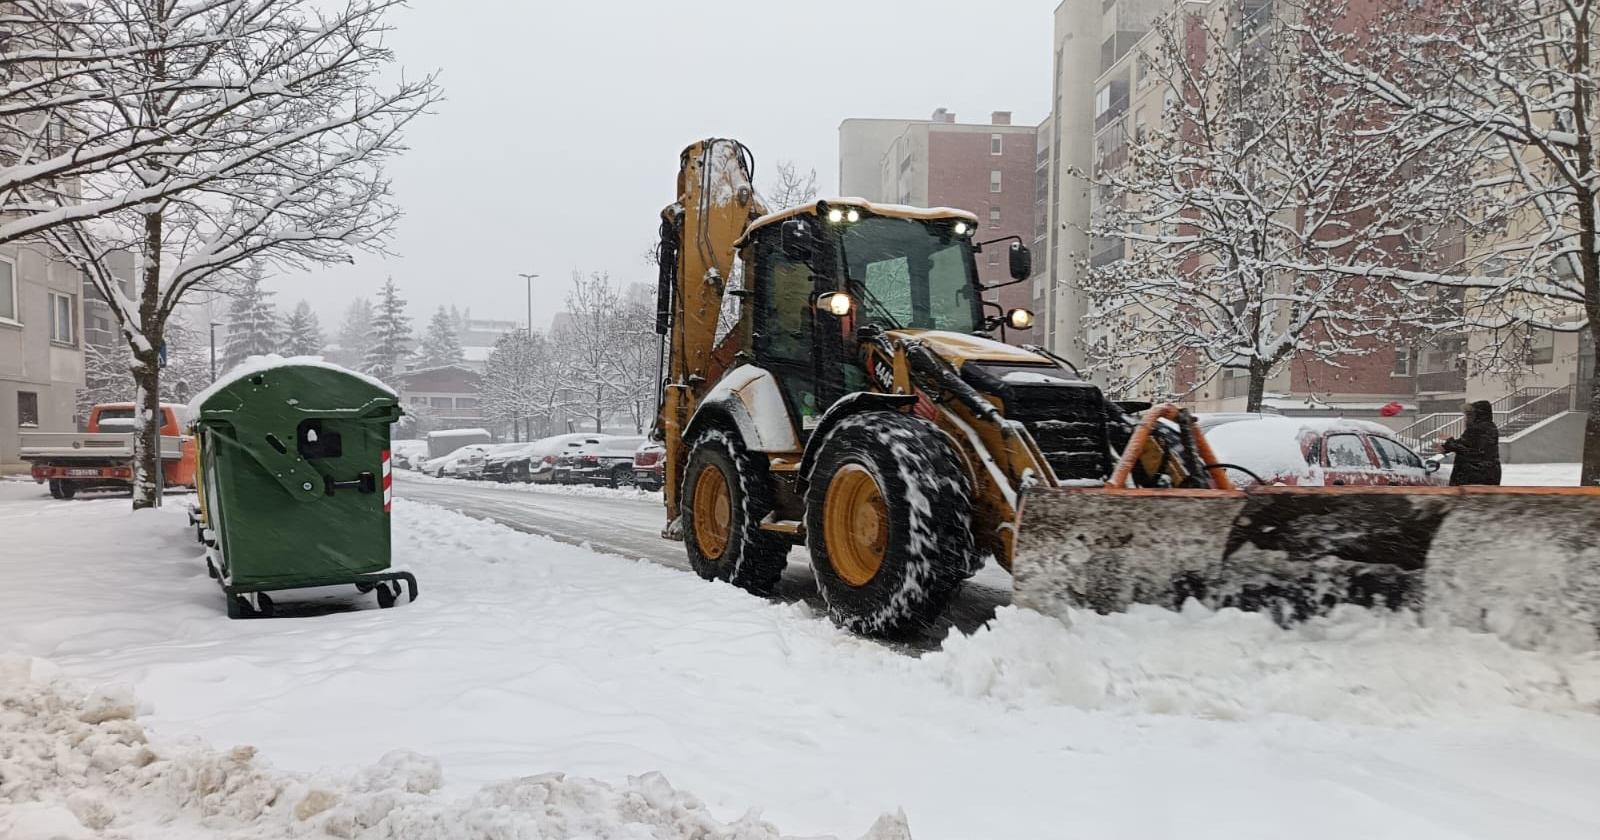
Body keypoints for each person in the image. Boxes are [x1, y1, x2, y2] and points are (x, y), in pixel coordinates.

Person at [1442, 400, 1502, 486]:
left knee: (1469, 498)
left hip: (1474, 474)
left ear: (1477, 415)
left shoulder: (1477, 428)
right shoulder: (1489, 427)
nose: (1466, 418)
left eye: (1469, 415)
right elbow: (1466, 445)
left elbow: (1466, 448)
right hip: (1487, 473)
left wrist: (1449, 443)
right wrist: (1448, 446)